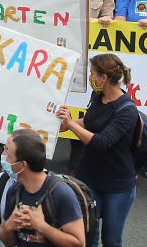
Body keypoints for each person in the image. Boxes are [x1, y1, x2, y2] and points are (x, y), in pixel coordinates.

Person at [56, 53, 138, 247]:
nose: (90, 77)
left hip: (117, 186)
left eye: (93, 73)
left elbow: (102, 142)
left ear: (104, 78)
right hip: (89, 180)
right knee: (87, 236)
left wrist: (70, 124)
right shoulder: (97, 96)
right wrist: (64, 126)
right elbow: (91, 121)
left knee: (110, 240)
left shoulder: (127, 110)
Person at [0, 128, 86, 247]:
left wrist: (41, 226)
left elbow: (79, 244)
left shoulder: (61, 193)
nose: (4, 157)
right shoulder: (15, 191)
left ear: (22, 165)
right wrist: (9, 226)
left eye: (7, 152)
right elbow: (9, 242)